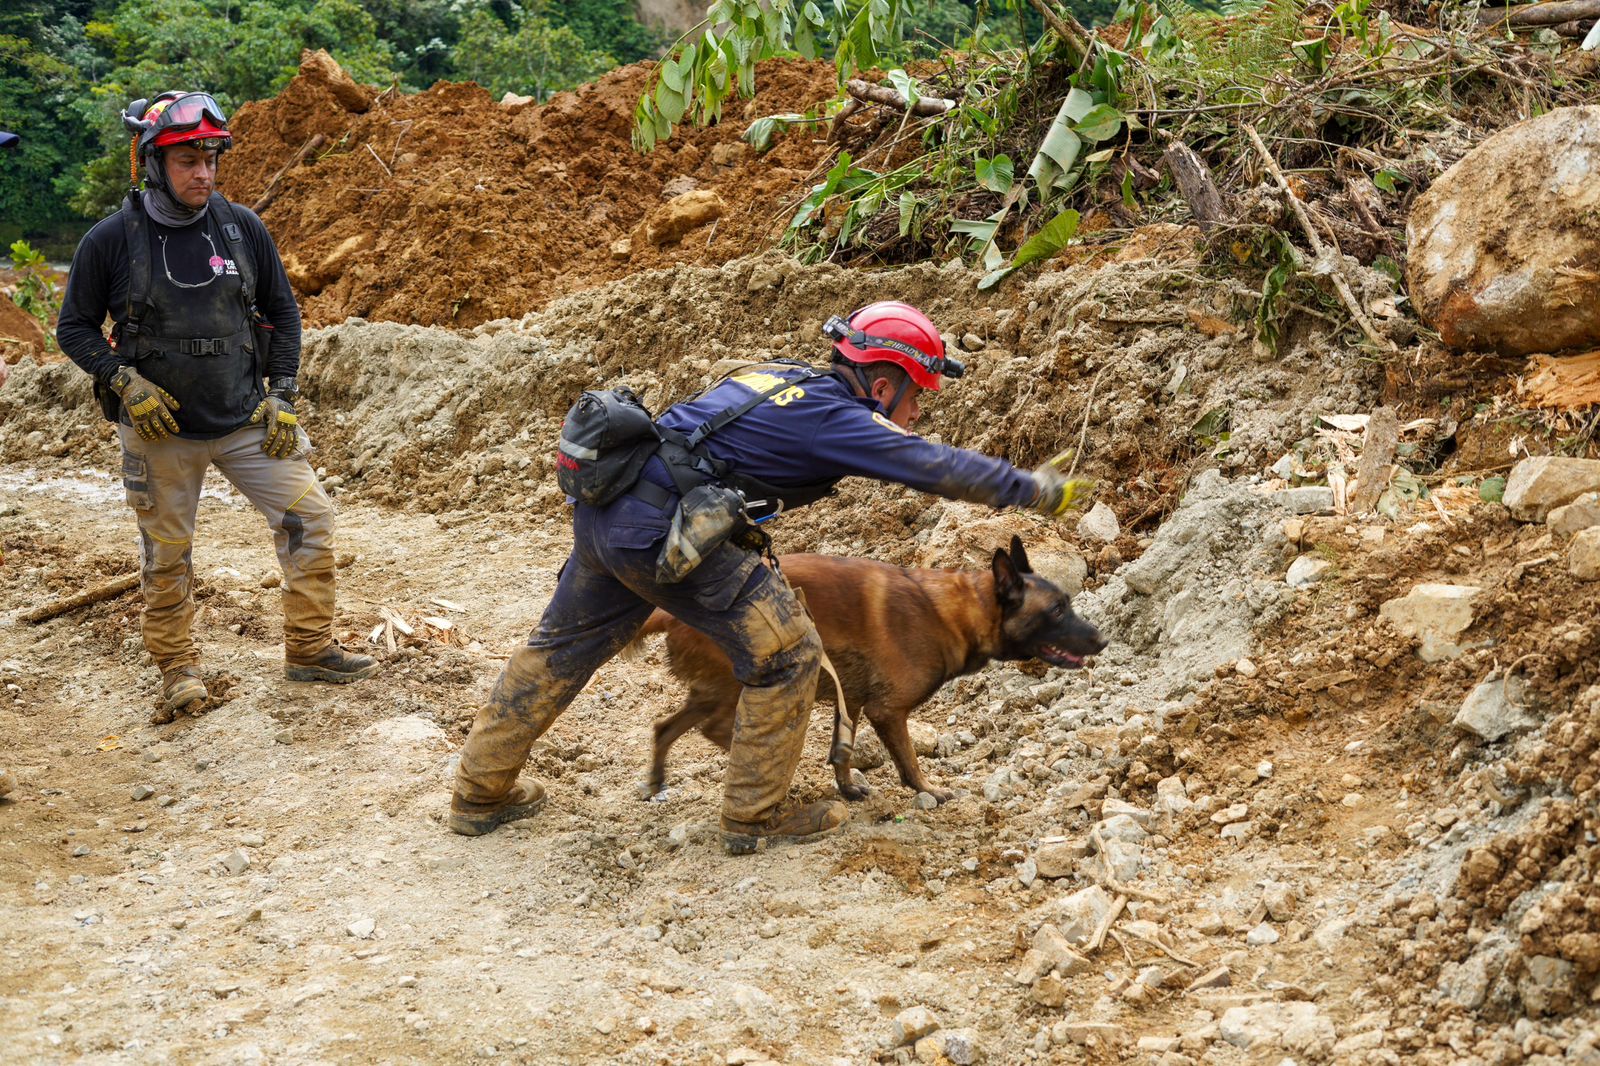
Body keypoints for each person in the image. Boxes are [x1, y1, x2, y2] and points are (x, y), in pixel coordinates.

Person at [449, 300, 1092, 854]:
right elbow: (927, 464)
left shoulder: (776, 376)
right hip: (672, 536)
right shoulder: (836, 417)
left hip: (606, 517)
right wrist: (1030, 489)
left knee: (558, 647)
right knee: (790, 655)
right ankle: (756, 816)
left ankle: (480, 793)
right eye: (918, 394)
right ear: (885, 381)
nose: (916, 412)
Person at [55, 91, 378, 721]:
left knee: (309, 518)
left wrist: (281, 392)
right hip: (159, 429)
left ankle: (309, 651)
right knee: (167, 553)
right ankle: (177, 668)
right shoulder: (112, 240)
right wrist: (124, 382)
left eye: (211, 158)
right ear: (154, 164)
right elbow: (75, 329)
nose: (204, 173)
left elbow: (283, 314)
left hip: (243, 419)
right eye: (186, 160)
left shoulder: (240, 227)